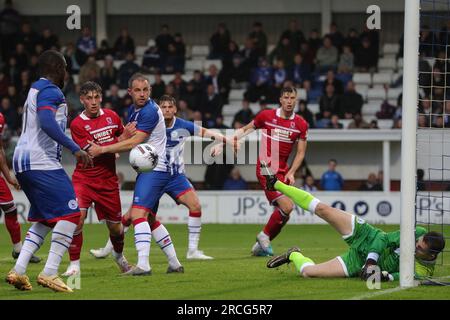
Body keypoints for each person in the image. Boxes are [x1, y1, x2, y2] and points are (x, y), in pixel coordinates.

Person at [91, 94, 236, 260]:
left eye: (170, 107)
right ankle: (107, 249)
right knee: (132, 215)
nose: (167, 110)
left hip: (176, 177)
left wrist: (226, 141)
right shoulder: (150, 124)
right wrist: (114, 150)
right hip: (153, 175)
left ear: (175, 109)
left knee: (195, 206)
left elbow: (206, 132)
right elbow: (130, 139)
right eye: (163, 107)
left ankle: (192, 251)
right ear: (159, 109)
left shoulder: (183, 125)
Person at [262, 164, 445, 281]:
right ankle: (276, 184)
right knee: (323, 210)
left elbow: (402, 275)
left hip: (358, 263)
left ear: (431, 256)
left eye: (420, 249)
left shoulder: (424, 272)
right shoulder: (418, 231)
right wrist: (372, 261)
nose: (415, 246)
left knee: (308, 273)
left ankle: (293, 254)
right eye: (417, 243)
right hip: (367, 237)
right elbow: (384, 239)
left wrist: (383, 275)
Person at [5, 50, 92, 292]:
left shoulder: (35, 88)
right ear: (56, 68)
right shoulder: (51, 91)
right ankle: (51, 272)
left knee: (44, 220)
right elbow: (46, 121)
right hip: (40, 162)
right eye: (65, 67)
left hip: (23, 161)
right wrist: (75, 148)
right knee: (72, 214)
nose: (67, 72)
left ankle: (19, 271)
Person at [87, 73, 184, 275]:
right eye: (138, 90)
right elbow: (127, 136)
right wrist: (117, 143)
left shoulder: (148, 111)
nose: (142, 94)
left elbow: (134, 142)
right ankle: (174, 264)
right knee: (149, 219)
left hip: (154, 170)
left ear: (150, 91)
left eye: (146, 90)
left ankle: (144, 265)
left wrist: (103, 150)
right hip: (151, 169)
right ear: (130, 91)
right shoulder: (134, 110)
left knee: (137, 215)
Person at [61, 81, 136, 277]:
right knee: (77, 219)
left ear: (101, 98)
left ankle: (119, 257)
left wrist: (121, 142)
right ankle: (74, 265)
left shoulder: (112, 116)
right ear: (82, 100)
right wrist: (119, 141)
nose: (93, 102)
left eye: (96, 97)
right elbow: (92, 152)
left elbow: (125, 143)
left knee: (116, 229)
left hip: (108, 182)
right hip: (84, 179)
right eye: (89, 98)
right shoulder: (77, 124)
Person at [231, 86, 309, 256]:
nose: (289, 101)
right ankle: (263, 236)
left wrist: (292, 172)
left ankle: (260, 246)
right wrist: (226, 142)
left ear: (296, 100)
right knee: (287, 206)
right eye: (286, 98)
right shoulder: (266, 116)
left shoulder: (301, 124)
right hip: (265, 169)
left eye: (292, 98)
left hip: (283, 171)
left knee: (286, 213)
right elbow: (245, 129)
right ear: (281, 100)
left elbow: (301, 152)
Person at [0, 112, 41, 263]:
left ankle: (18, 250)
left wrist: (9, 178)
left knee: (11, 210)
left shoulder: (1, 118)